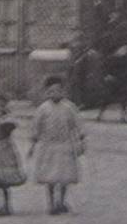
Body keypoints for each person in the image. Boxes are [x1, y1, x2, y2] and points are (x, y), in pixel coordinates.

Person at [28, 76, 86, 215]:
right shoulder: (43, 109)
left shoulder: (69, 107)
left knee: (64, 176)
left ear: (63, 91)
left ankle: (61, 201)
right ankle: (52, 203)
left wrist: (80, 140)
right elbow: (36, 126)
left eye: (57, 90)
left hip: (65, 145)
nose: (54, 94)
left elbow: (78, 124)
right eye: (51, 91)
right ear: (47, 93)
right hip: (49, 146)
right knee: (50, 177)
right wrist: (33, 144)